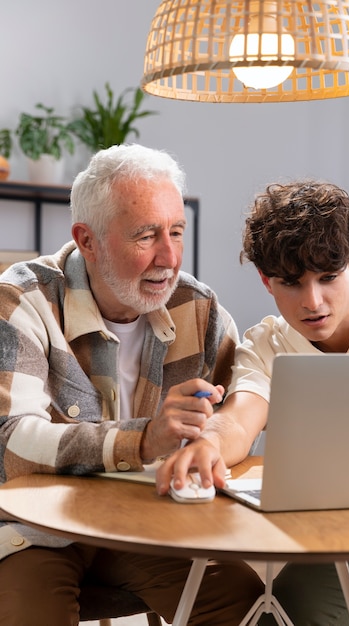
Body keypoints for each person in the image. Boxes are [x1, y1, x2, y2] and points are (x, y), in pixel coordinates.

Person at [0, 143, 264, 626]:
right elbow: (8, 442)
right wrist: (143, 440)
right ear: (88, 240)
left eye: (177, 232)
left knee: (242, 599)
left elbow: (244, 408)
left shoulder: (197, 308)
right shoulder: (21, 300)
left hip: (147, 521)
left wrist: (212, 435)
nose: (169, 257)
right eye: (146, 236)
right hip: (31, 527)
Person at [158, 179, 349, 625]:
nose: (312, 301)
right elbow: (239, 420)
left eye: (328, 278)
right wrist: (208, 445)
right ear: (266, 280)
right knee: (286, 615)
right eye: (292, 283)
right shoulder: (267, 345)